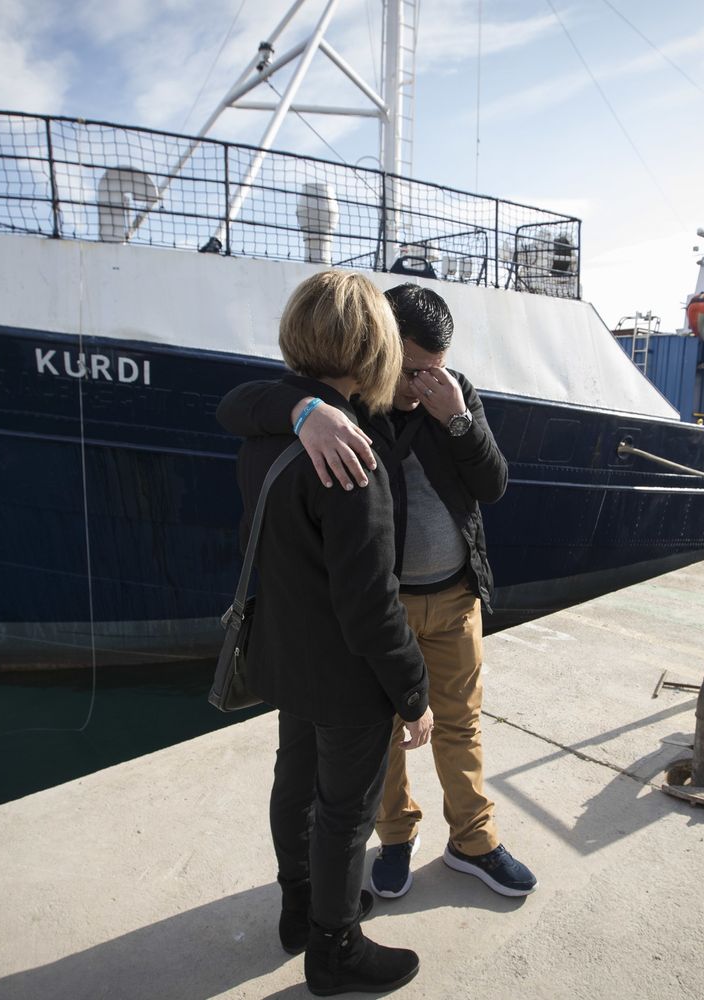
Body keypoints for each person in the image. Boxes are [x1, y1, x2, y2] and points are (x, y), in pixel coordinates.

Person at [218, 282, 538, 903]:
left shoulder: (452, 396)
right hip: (383, 609)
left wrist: (458, 419)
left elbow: (493, 484)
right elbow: (236, 404)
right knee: (385, 733)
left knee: (460, 725)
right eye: (412, 369)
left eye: (435, 371)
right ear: (381, 349)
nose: (422, 384)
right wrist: (303, 411)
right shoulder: (353, 407)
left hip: (454, 598)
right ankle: (395, 838)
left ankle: (474, 841)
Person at [229, 270, 434, 996]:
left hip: (286, 658)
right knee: (344, 813)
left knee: (294, 786)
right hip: (346, 677)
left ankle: (301, 911)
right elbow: (370, 605)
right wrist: (414, 693)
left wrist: (300, 405)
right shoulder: (349, 456)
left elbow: (237, 403)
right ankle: (335, 949)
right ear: (374, 346)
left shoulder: (273, 434)